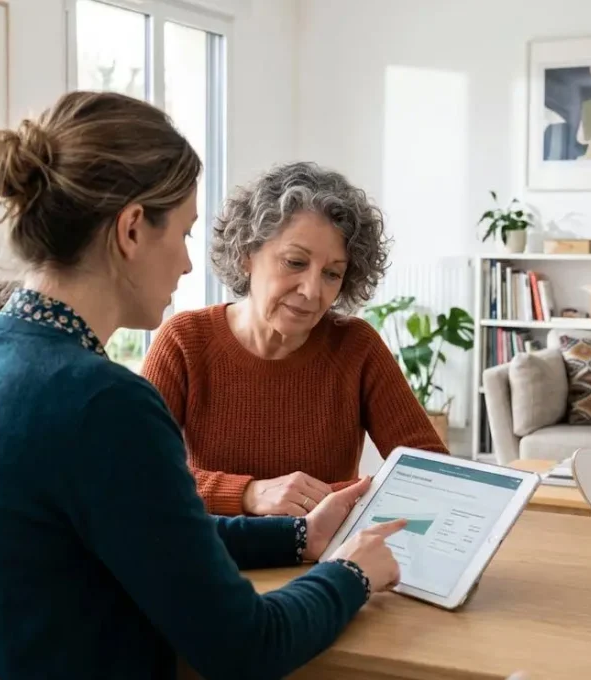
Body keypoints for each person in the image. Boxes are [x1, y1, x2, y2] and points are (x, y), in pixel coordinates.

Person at [0, 92, 406, 680]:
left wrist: (297, 536)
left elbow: (154, 532)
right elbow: (246, 646)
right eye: (185, 234)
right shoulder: (104, 404)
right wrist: (349, 572)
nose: (189, 266)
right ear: (132, 229)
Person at [141, 162, 447, 517]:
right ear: (247, 256)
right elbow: (135, 471)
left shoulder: (357, 346)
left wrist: (325, 498)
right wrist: (249, 494)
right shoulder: (185, 341)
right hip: (218, 557)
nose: (313, 291)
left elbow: (434, 475)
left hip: (325, 559)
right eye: (295, 262)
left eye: (332, 274)